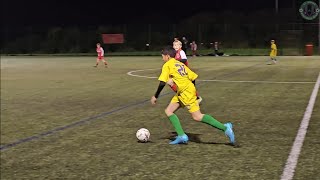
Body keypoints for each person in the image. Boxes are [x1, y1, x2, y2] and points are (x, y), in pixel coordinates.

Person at [150, 46, 235, 145]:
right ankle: (182, 136)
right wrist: (192, 90)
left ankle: (225, 128)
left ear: (167, 56)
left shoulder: (167, 65)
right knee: (169, 111)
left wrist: (155, 96)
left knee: (197, 117)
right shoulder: (179, 63)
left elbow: (162, 83)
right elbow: (193, 77)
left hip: (186, 93)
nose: (162, 58)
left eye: (163, 56)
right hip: (183, 92)